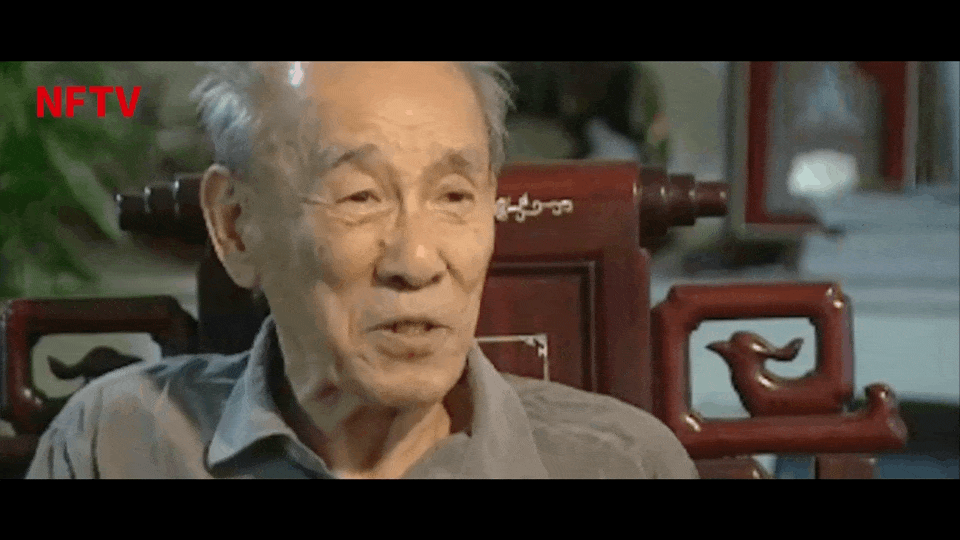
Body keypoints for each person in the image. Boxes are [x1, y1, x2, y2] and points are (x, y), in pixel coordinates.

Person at [26, 62, 698, 479]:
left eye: (454, 196)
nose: (417, 261)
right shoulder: (119, 443)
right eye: (360, 197)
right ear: (236, 226)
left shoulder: (621, 462)